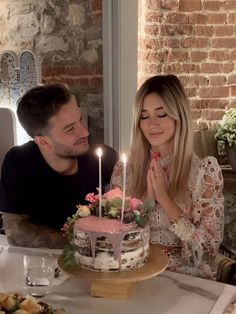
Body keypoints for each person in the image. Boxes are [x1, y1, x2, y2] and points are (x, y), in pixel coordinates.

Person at [111, 74, 224, 280]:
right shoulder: (125, 170)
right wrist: (145, 203)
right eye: (144, 116)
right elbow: (112, 241)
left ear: (178, 115)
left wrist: (166, 200)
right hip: (134, 271)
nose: (151, 124)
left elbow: (207, 253)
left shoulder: (203, 172)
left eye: (161, 114)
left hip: (185, 277)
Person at [1, 83, 118, 248]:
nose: (85, 132)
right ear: (42, 141)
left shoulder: (104, 159)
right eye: (70, 129)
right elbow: (15, 231)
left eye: (80, 119)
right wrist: (79, 243)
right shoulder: (20, 161)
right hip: (41, 265)